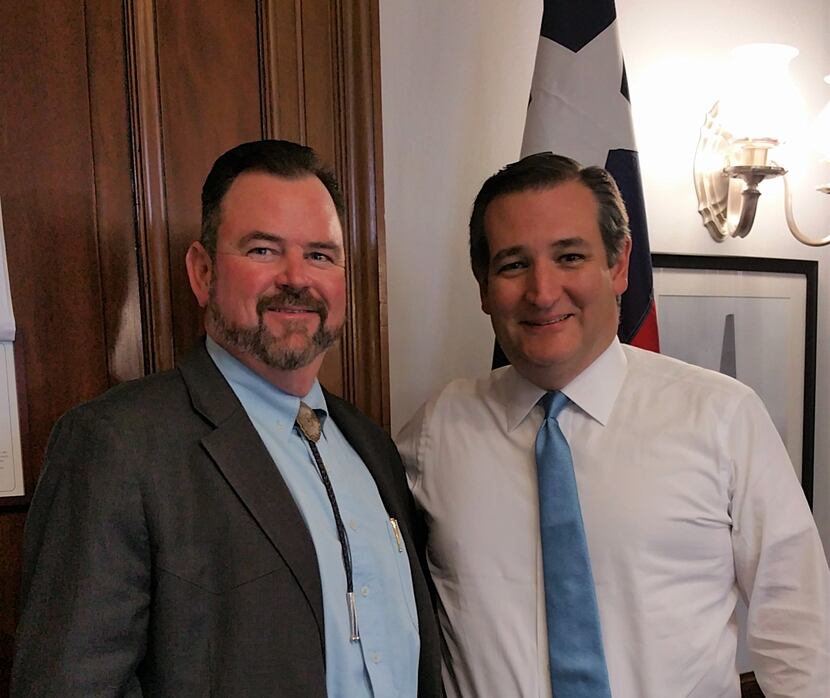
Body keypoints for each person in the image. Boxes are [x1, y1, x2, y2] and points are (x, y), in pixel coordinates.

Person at [12, 139, 442, 697]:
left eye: (320, 254)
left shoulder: (373, 447)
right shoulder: (117, 447)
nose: (296, 278)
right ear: (202, 271)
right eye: (263, 250)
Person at [397, 152, 830, 698]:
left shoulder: (723, 418)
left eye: (570, 256)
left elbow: (801, 638)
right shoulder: (434, 432)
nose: (543, 291)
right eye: (513, 264)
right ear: (483, 286)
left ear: (619, 264)